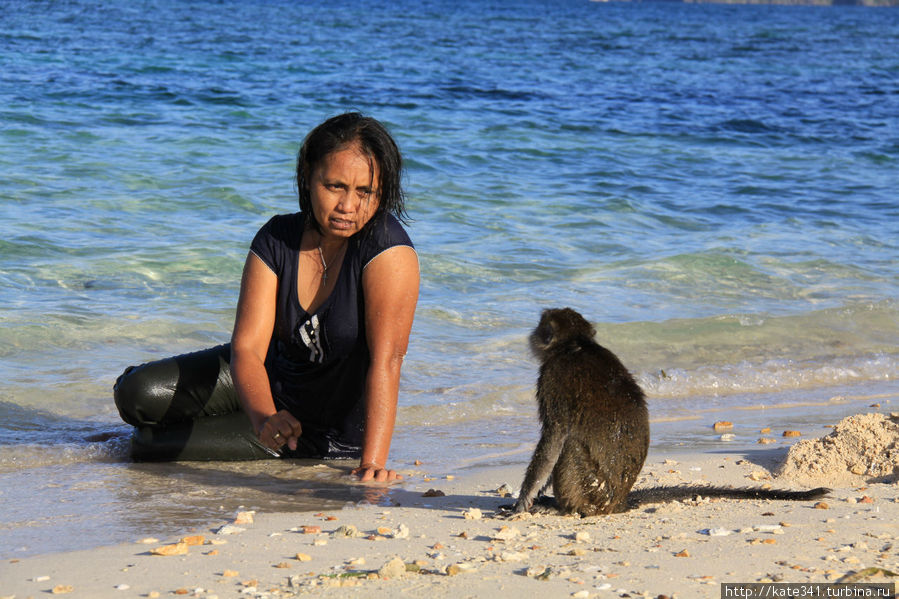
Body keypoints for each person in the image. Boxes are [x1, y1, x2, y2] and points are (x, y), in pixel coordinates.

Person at [113, 113, 419, 482]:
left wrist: (373, 463)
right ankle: (231, 417)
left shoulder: (386, 248)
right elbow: (247, 349)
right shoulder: (277, 238)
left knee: (148, 446)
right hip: (268, 382)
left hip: (318, 433)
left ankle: (212, 426)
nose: (348, 206)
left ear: (381, 191)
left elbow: (388, 361)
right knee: (137, 392)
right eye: (335, 186)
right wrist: (263, 417)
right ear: (308, 176)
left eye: (364, 191)